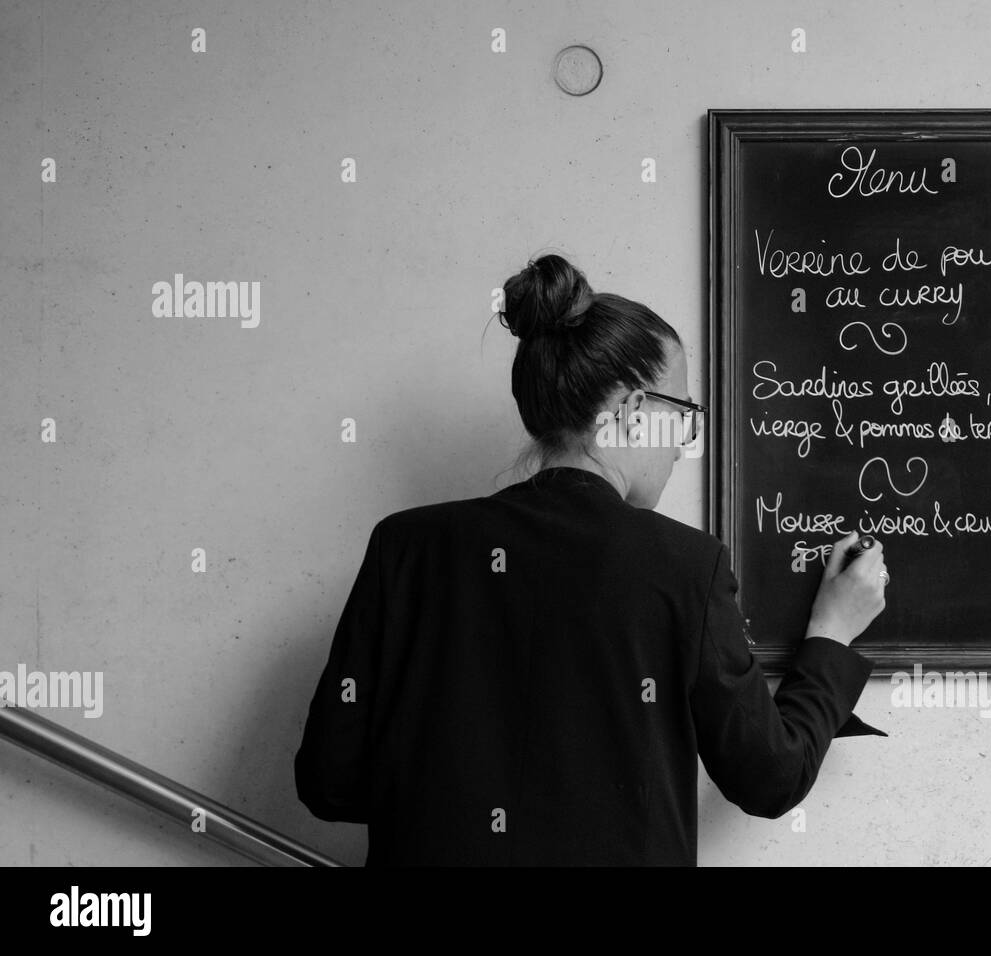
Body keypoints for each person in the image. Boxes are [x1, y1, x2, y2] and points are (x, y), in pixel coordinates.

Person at [293, 253, 890, 865]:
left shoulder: (405, 548)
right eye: (683, 416)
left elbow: (329, 782)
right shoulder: (685, 567)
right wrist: (830, 636)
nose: (686, 443)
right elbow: (770, 778)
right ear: (633, 414)